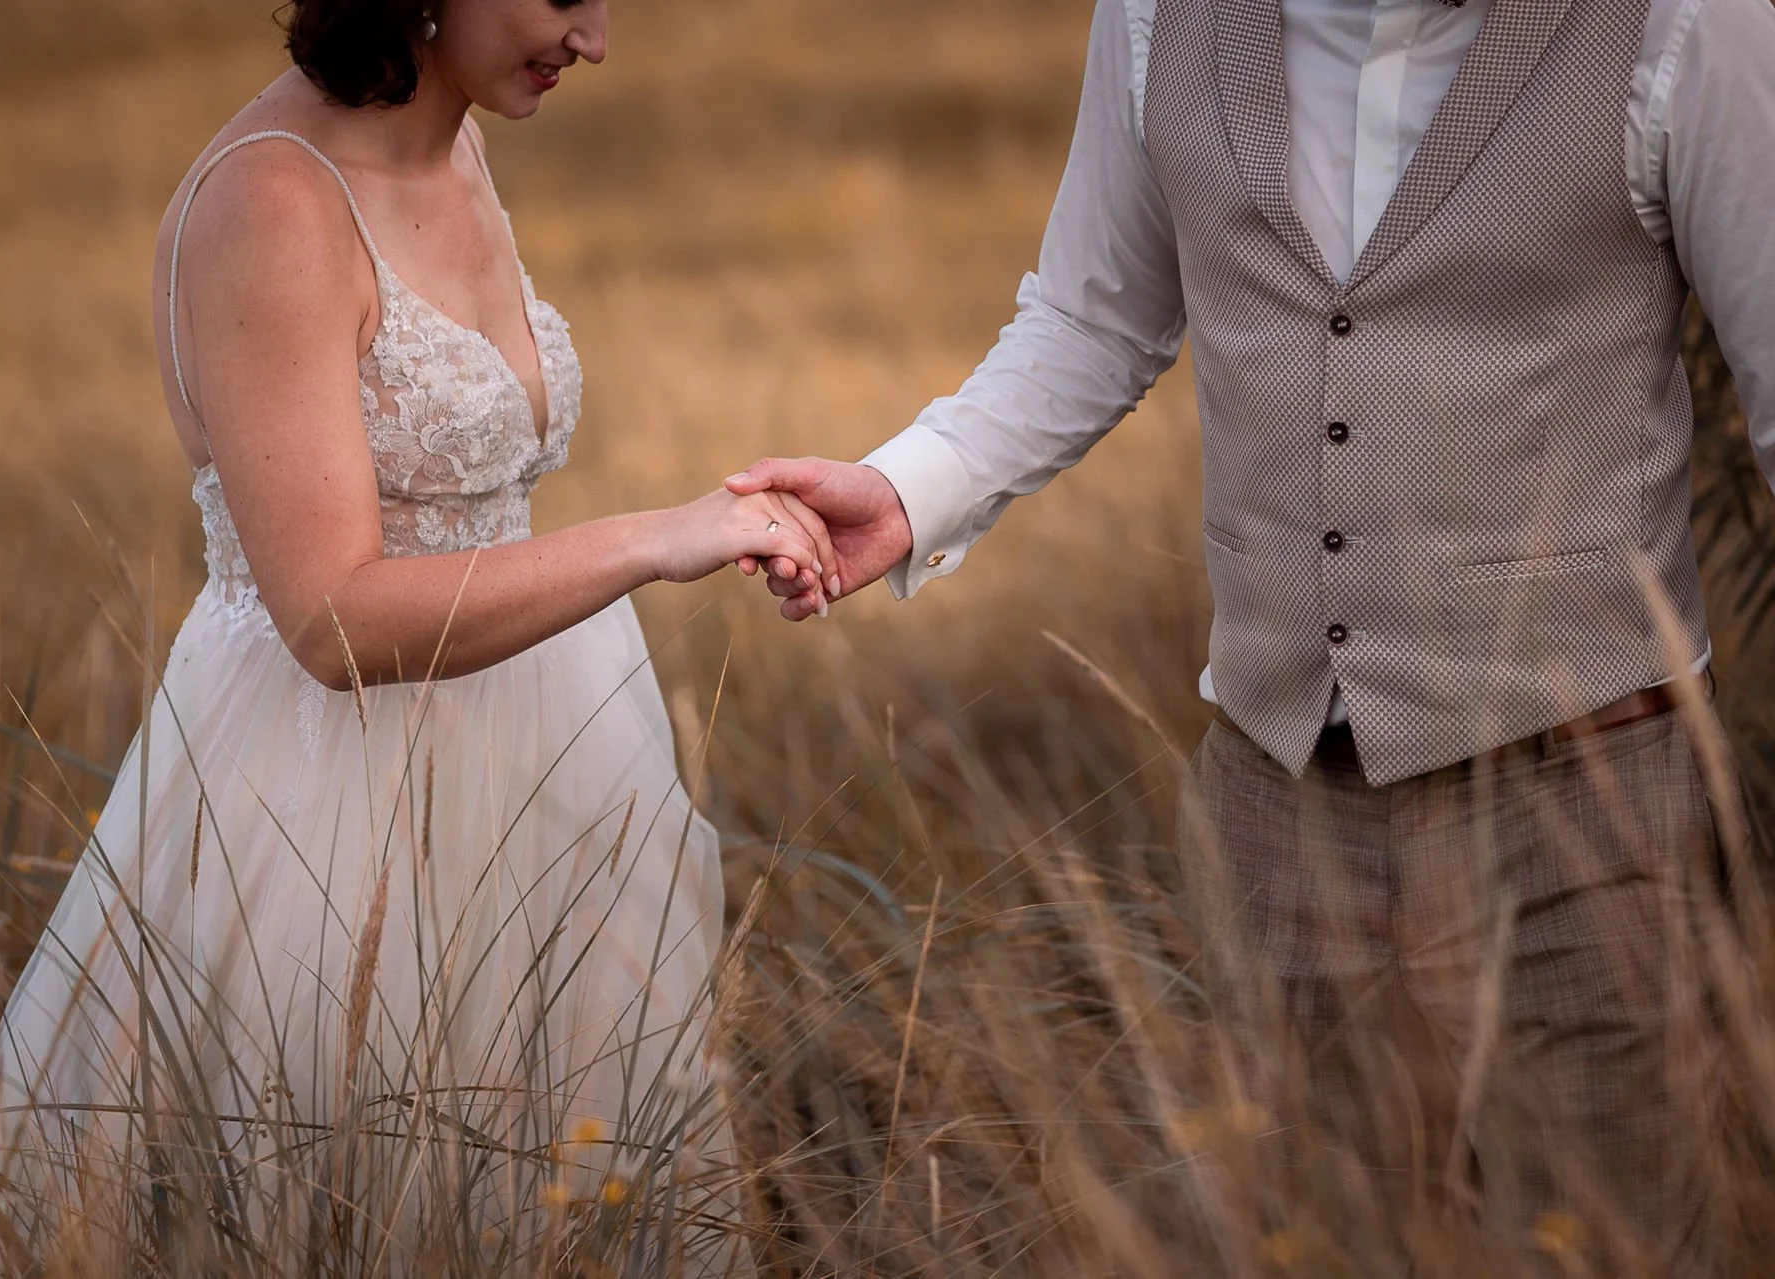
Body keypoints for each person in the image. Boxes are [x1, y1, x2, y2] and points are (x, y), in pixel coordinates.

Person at [732, 0, 1775, 1269]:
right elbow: (1094, 315)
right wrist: (907, 490)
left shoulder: (1694, 23)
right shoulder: (1159, 15)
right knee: (1306, 1244)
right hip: (1273, 812)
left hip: (1586, 811)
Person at [0, 0, 823, 1268]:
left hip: (554, 757)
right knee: (350, 1195)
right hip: (329, 803)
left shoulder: (458, 138)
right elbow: (332, 619)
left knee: (570, 1190)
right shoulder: (273, 205)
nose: (595, 38)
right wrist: (654, 541)